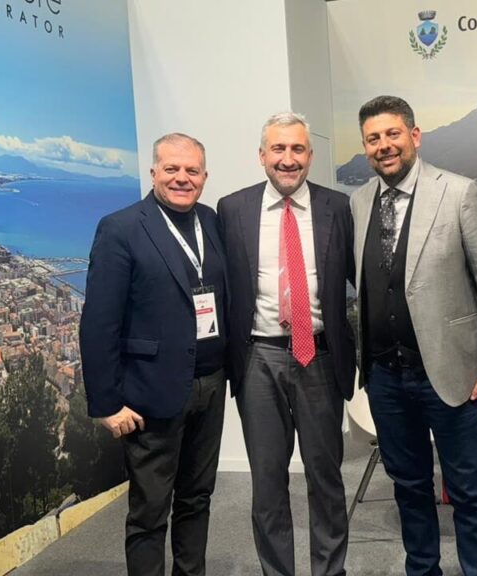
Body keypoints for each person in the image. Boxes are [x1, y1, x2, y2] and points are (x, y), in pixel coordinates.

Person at [349, 96, 477, 576]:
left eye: (393, 134)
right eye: (373, 139)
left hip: (453, 373)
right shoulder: (359, 202)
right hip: (385, 377)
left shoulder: (459, 193)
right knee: (409, 488)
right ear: (365, 146)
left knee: (471, 491)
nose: (384, 146)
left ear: (415, 136)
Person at [79, 133, 227, 576]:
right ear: (153, 172)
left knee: (197, 498)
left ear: (204, 176)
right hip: (150, 393)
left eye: (192, 170)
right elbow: (99, 323)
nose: (182, 178)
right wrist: (106, 404)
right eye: (172, 169)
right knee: (149, 512)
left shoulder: (210, 220)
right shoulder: (121, 228)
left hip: (211, 385)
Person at [217, 112, 355, 576]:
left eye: (297, 149)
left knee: (326, 477)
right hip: (258, 357)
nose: (288, 159)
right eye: (278, 149)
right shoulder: (232, 209)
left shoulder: (338, 207)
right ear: (262, 156)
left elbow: (363, 279)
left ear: (310, 156)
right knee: (267, 482)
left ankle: (329, 571)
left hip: (320, 354)